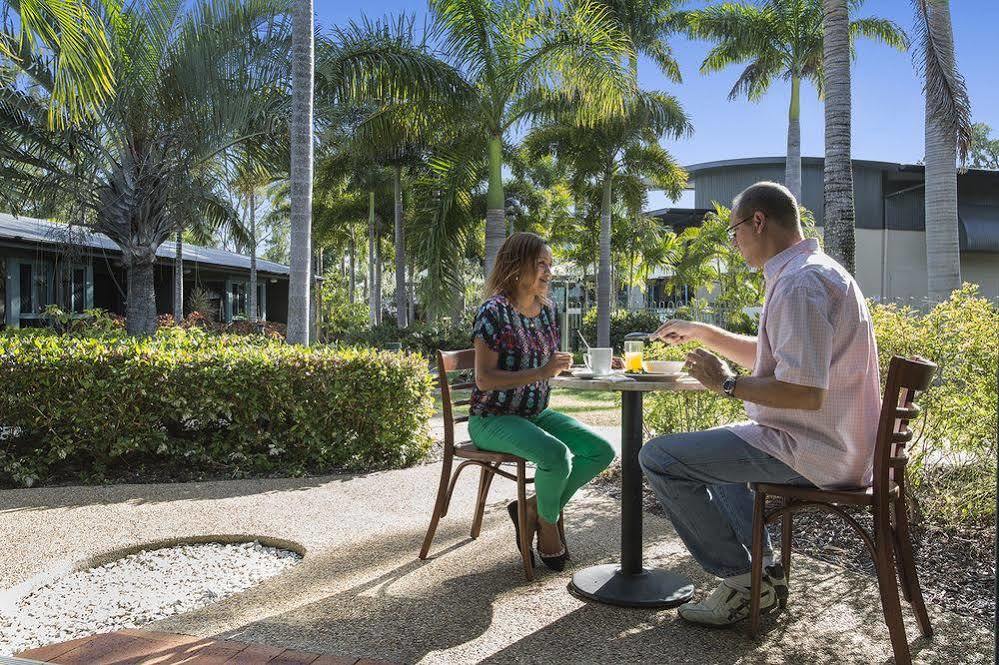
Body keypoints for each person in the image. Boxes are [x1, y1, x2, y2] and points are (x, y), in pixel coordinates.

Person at [639, 181, 882, 625]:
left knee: (658, 458)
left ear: (758, 221)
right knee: (722, 446)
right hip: (829, 442)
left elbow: (805, 392)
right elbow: (774, 355)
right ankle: (764, 572)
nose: (733, 244)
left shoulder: (799, 283)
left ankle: (741, 580)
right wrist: (702, 332)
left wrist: (727, 385)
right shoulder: (812, 271)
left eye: (734, 232)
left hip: (816, 449)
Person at [469, 232, 616, 571]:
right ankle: (548, 526)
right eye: (540, 265)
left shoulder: (547, 310)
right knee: (556, 456)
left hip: (535, 413)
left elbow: (549, 367)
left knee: (600, 450)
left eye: (550, 265)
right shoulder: (493, 312)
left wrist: (592, 367)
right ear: (516, 265)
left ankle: (532, 509)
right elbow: (484, 379)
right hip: (492, 418)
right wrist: (541, 371)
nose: (548, 272)